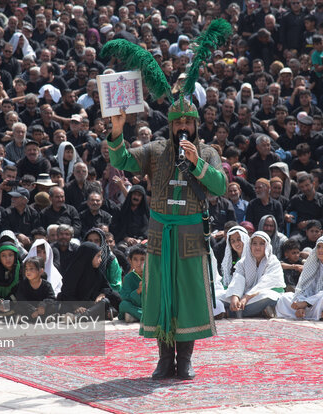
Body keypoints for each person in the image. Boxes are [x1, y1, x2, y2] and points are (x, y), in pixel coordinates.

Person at [108, 97, 226, 380]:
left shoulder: (207, 152)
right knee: (161, 294)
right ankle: (164, 359)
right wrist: (117, 130)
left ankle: (184, 359)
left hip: (190, 234)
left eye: (187, 121)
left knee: (187, 296)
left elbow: (220, 185)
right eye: (177, 122)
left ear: (195, 124)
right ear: (171, 124)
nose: (182, 126)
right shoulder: (155, 150)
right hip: (161, 233)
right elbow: (122, 160)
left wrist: (197, 164)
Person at [275, 234, 323, 320]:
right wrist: (301, 305)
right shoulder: (314, 265)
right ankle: (318, 314)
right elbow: (306, 287)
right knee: (285, 298)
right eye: (318, 247)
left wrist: (306, 303)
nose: (320, 250)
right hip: (312, 302)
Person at [221, 231, 285, 318]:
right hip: (245, 296)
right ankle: (258, 311)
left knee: (266, 295)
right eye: (254, 243)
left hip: (262, 295)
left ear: (267, 246)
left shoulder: (273, 261)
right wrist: (235, 296)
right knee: (220, 295)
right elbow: (237, 279)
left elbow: (265, 283)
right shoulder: (243, 262)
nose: (257, 247)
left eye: (262, 243)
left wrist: (246, 297)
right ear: (250, 246)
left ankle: (230, 313)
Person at [58, 241, 121, 320]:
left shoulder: (96, 271)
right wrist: (77, 306)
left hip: (92, 304)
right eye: (98, 256)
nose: (100, 260)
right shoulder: (73, 272)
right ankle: (83, 316)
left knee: (110, 298)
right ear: (88, 256)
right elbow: (67, 294)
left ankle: (80, 317)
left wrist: (101, 295)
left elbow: (106, 286)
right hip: (74, 305)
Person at [15, 256, 57, 321]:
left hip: (41, 309)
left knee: (54, 306)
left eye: (31, 269)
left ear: (41, 271)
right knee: (18, 306)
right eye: (26, 269)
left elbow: (51, 298)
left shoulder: (46, 285)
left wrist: (43, 305)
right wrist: (31, 309)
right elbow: (20, 298)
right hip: (29, 308)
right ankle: (42, 318)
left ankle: (39, 317)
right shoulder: (23, 284)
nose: (28, 271)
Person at [84, 228, 123, 293]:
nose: (93, 244)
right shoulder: (82, 257)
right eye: (90, 241)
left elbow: (116, 286)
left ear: (102, 242)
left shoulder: (110, 258)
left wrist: (103, 292)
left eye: (96, 241)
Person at [119, 244, 146, 323]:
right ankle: (145, 316)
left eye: (142, 259)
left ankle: (136, 317)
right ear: (130, 261)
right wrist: (138, 291)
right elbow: (125, 297)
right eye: (135, 260)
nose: (139, 263)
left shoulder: (153, 276)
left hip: (150, 306)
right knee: (123, 305)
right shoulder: (128, 278)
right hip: (136, 306)